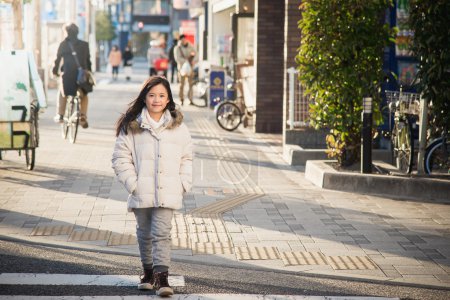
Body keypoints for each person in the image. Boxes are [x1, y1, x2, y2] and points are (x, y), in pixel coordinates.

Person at [111, 76, 192, 297]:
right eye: (152, 95)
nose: (157, 99)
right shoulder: (132, 126)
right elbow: (120, 158)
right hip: (141, 190)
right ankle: (147, 273)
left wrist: (183, 184)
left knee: (162, 233)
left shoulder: (178, 128)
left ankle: (162, 277)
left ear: (168, 100)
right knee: (144, 234)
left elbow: (187, 158)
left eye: (162, 95)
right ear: (145, 97)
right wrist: (132, 184)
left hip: (169, 190)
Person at [52, 23, 91, 129]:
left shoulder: (63, 44)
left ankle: (60, 114)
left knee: (62, 92)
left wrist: (55, 72)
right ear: (77, 32)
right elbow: (88, 61)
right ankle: (82, 115)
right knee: (84, 95)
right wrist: (88, 73)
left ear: (66, 32)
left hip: (67, 78)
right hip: (81, 78)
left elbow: (57, 61)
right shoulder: (84, 45)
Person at [174, 34, 196, 105]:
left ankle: (190, 99)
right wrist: (186, 61)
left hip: (190, 68)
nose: (183, 41)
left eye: (184, 39)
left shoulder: (191, 46)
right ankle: (181, 99)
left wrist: (193, 61)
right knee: (181, 85)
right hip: (182, 69)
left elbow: (196, 54)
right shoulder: (177, 48)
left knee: (191, 84)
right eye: (182, 40)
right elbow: (177, 58)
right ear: (180, 40)